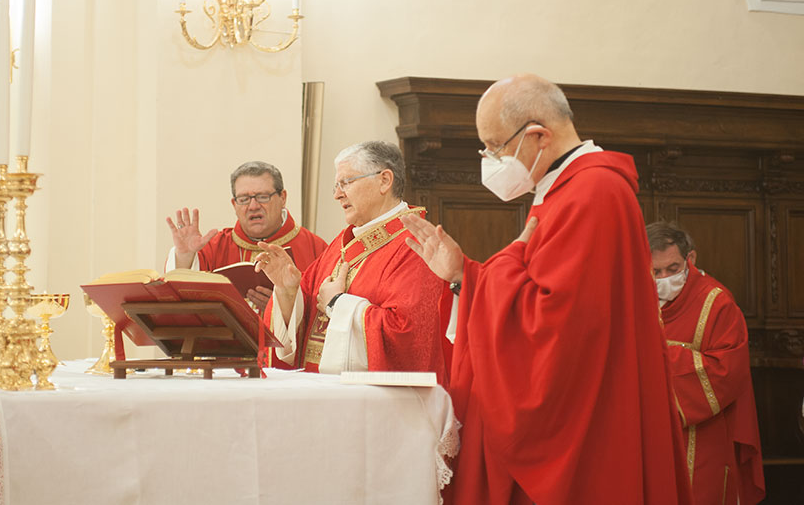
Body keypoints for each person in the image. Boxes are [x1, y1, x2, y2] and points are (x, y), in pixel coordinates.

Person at [401, 74, 693, 504]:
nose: (490, 159)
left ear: (537, 135)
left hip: (586, 417)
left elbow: (556, 323)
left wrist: (484, 272)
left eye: (495, 147)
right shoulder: (564, 189)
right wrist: (464, 275)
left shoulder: (594, 192)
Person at [253, 141, 448, 378]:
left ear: (384, 181)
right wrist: (287, 291)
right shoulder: (343, 244)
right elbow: (305, 321)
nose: (337, 194)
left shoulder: (415, 246)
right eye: (336, 185)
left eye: (346, 183)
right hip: (322, 394)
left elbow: (408, 337)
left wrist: (337, 303)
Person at [648, 221, 765, 505]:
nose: (664, 278)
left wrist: (655, 361)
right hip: (649, 432)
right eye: (656, 271)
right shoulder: (637, 298)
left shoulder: (717, 303)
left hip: (703, 435)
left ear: (691, 259)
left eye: (673, 269)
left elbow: (726, 372)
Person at [164, 161, 327, 311]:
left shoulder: (316, 249)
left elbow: (325, 312)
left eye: (263, 197)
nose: (253, 206)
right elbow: (182, 301)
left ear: (282, 198)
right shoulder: (215, 247)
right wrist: (184, 256)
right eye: (244, 199)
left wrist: (286, 305)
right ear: (234, 205)